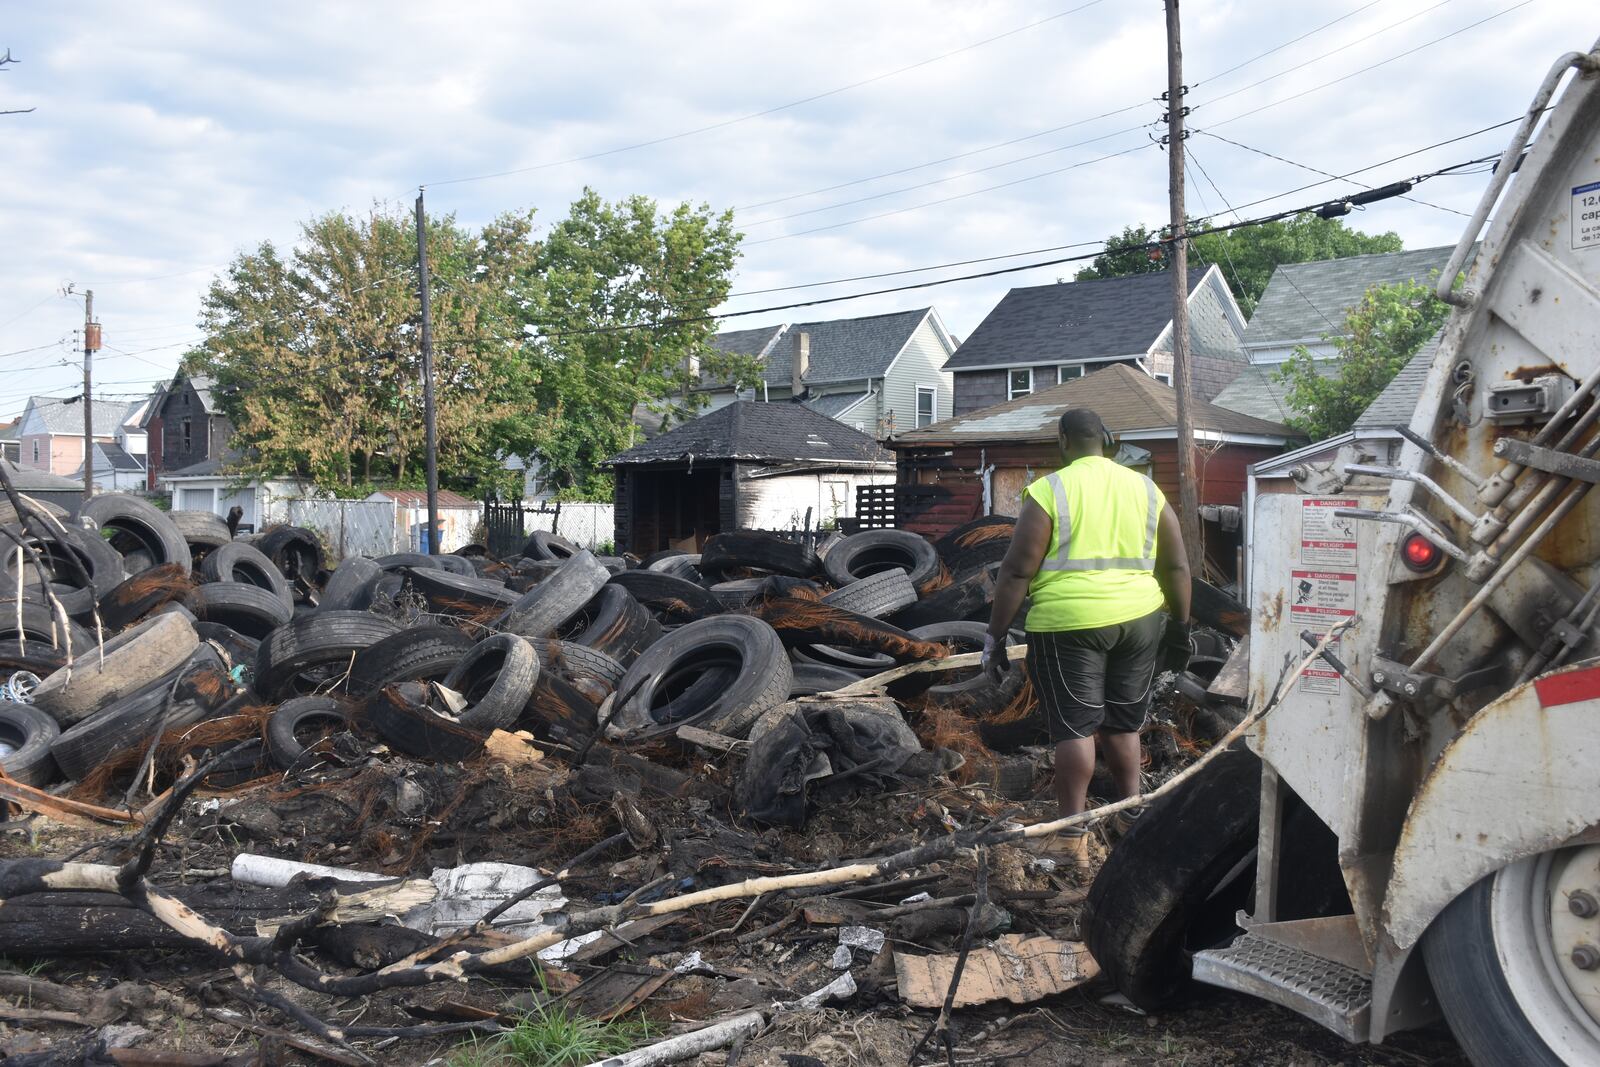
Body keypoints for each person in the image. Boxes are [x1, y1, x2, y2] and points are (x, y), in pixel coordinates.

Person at [981, 408, 1192, 866]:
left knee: (1076, 726)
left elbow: (1017, 570)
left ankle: (1071, 835)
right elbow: (1176, 565)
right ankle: (1129, 814)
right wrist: (1180, 625)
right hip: (1140, 620)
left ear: (1063, 441)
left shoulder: (1051, 490)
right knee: (1123, 722)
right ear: (1109, 439)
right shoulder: (1145, 488)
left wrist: (995, 635)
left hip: (1068, 625)